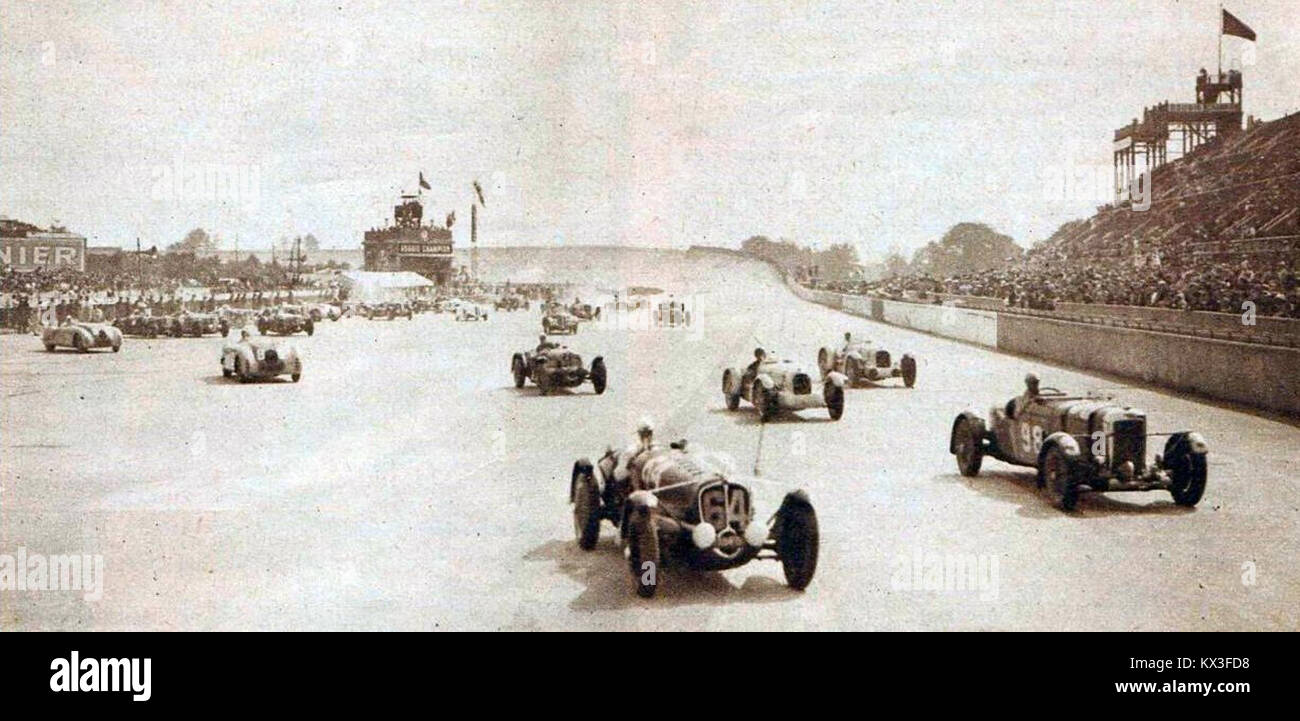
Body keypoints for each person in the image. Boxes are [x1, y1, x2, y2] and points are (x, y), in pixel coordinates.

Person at [613, 417, 656, 488]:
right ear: (639, 435)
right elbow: (618, 476)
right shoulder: (631, 451)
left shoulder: (656, 449)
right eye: (644, 434)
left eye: (649, 433)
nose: (647, 437)